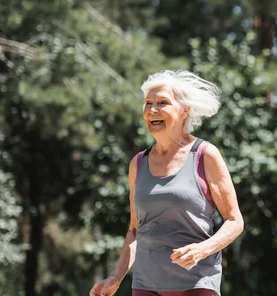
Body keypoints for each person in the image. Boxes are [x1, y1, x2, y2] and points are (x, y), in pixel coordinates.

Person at [90, 70, 243, 296]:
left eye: (162, 103)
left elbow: (234, 220)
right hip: (146, 285)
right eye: (147, 103)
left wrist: (202, 250)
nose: (152, 110)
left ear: (184, 110)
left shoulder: (205, 155)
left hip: (196, 282)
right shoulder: (138, 163)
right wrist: (116, 276)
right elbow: (135, 230)